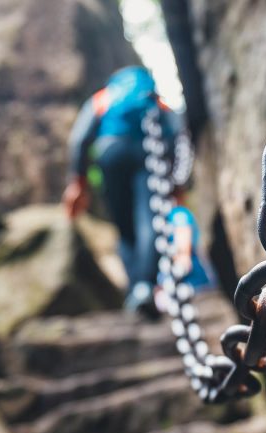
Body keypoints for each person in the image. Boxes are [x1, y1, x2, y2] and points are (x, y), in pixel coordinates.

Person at [63, 66, 180, 315]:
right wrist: (175, 181)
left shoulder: (104, 97)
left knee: (123, 226)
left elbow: (80, 138)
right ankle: (147, 286)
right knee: (149, 220)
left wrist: (78, 182)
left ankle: (135, 288)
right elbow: (177, 134)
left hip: (111, 152)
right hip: (148, 155)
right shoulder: (153, 100)